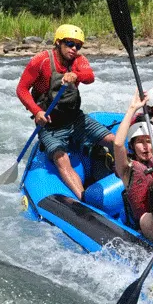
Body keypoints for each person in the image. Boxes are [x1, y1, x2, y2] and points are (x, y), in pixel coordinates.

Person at [16, 24, 115, 200]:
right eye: (70, 44)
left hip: (75, 119)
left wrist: (76, 76)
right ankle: (84, 200)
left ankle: (127, 179)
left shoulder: (78, 60)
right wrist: (37, 111)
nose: (74, 49)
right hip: (50, 126)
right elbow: (22, 89)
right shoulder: (41, 61)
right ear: (58, 43)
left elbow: (90, 76)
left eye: (78, 45)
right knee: (61, 159)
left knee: (113, 141)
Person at [113, 90, 153, 240]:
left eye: (149, 141)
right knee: (147, 219)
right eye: (140, 142)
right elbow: (118, 143)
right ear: (132, 146)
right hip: (144, 224)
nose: (146, 147)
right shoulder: (128, 170)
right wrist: (132, 108)